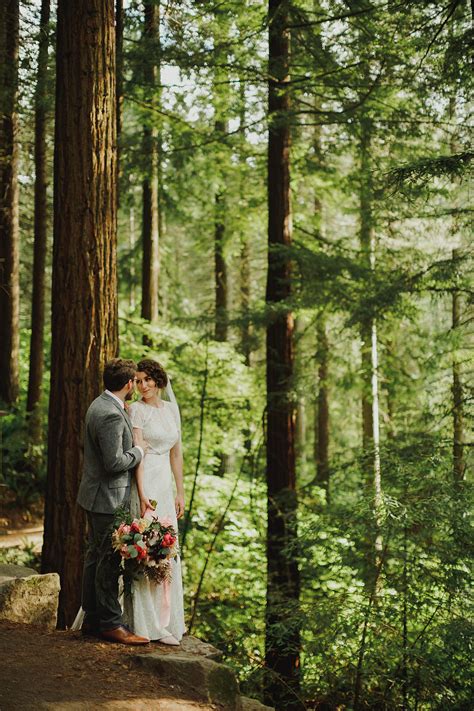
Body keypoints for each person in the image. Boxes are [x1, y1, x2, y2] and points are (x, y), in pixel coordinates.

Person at [76, 358, 149, 645]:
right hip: (106, 498)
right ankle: (110, 623)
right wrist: (139, 451)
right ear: (129, 384)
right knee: (107, 561)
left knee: (95, 559)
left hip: (96, 496)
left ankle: (93, 618)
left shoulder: (101, 404)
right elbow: (113, 462)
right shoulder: (110, 414)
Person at [124, 358, 186, 645]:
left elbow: (176, 454)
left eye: (147, 379)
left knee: (167, 548)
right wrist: (142, 493)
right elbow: (137, 454)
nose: (143, 385)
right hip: (146, 480)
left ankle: (167, 620)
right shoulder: (136, 410)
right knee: (145, 547)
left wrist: (180, 491)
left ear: (159, 381)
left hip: (166, 482)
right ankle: (145, 623)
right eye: (138, 381)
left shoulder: (172, 410)